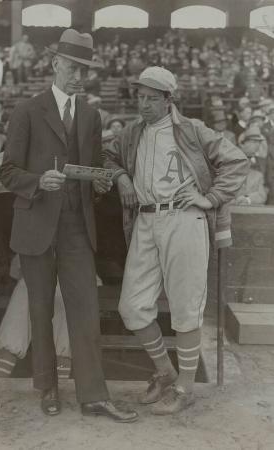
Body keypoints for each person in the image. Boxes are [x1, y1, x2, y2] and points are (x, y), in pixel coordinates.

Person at [0, 28, 138, 422]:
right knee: (40, 311)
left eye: (85, 69)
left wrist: (99, 183)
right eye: (73, 65)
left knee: (86, 312)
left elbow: (90, 173)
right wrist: (38, 182)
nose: (78, 74)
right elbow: (8, 172)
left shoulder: (91, 116)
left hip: (78, 229)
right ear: (55, 63)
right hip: (36, 225)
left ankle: (93, 395)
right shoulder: (27, 110)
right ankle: (47, 389)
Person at [104, 66, 248, 415]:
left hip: (184, 218)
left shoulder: (192, 129)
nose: (145, 105)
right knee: (132, 307)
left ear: (169, 100)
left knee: (185, 306)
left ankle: (185, 385)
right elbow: (106, 156)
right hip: (145, 219)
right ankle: (165, 370)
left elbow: (237, 162)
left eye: (153, 99)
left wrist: (210, 198)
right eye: (140, 98)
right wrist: (121, 176)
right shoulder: (132, 132)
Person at [234, 126, 267, 205]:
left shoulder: (258, 174)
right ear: (243, 144)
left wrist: (247, 199)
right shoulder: (230, 163)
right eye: (254, 142)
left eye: (259, 142)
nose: (257, 146)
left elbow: (262, 195)